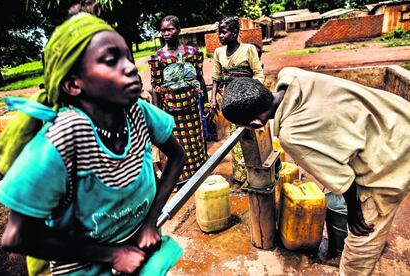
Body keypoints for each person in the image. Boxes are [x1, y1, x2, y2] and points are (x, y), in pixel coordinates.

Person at [0, 12, 185, 275]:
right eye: (111, 61)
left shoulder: (138, 111)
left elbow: (177, 157)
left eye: (128, 57)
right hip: (85, 266)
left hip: (141, 251)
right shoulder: (61, 140)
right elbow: (17, 237)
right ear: (74, 84)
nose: (130, 67)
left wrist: (151, 221)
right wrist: (112, 255)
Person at [221, 68, 410, 276]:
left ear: (255, 123)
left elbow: (343, 179)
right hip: (399, 118)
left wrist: (354, 216)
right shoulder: (290, 75)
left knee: (361, 242)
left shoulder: (292, 136)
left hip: (394, 156)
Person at [149, 15, 208, 185]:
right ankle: (181, 179)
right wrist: (157, 113)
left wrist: (204, 104)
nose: (165, 33)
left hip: (191, 108)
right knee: (177, 146)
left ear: (179, 30)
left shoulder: (193, 53)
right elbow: (156, 87)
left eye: (170, 29)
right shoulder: (158, 57)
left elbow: (200, 79)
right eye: (163, 30)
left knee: (196, 142)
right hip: (171, 110)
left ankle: (200, 175)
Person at [209, 16, 264, 184]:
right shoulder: (218, 53)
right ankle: (241, 176)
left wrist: (251, 95)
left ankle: (256, 174)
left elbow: (258, 73)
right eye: (219, 33)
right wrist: (212, 100)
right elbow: (216, 78)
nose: (221, 36)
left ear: (235, 33)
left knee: (252, 135)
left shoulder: (248, 49)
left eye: (224, 32)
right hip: (230, 102)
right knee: (236, 136)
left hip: (248, 100)